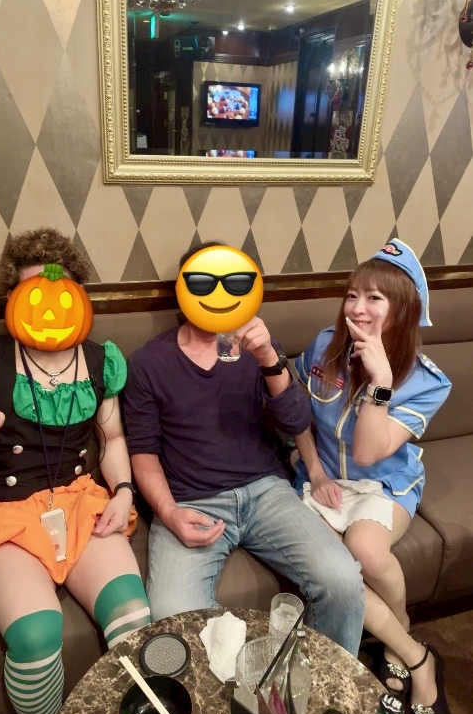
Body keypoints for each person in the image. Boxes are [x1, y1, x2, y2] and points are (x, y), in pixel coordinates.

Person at [0, 228, 151, 714]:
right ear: (12, 296)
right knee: (36, 636)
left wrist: (123, 491)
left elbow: (113, 438)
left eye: (60, 293)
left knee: (134, 618)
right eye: (32, 293)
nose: (48, 306)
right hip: (5, 516)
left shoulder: (99, 360)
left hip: (79, 502)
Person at [122, 241, 365, 658]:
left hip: (265, 491)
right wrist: (169, 512)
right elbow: (143, 454)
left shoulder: (260, 349)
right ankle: (243, 679)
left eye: (233, 283)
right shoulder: (148, 362)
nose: (219, 294)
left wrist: (269, 357)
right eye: (204, 283)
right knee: (172, 616)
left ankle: (322, 682)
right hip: (192, 499)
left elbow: (296, 422)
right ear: (184, 291)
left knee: (342, 580)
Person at [293, 239, 452, 714]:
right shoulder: (325, 346)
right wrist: (315, 471)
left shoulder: (427, 382)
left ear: (404, 310)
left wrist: (380, 383)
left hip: (384, 483)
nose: (357, 308)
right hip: (319, 476)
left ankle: (397, 637)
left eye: (375, 298)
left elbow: (366, 453)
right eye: (352, 295)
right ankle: (414, 653)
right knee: (336, 570)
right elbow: (294, 414)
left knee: (365, 548)